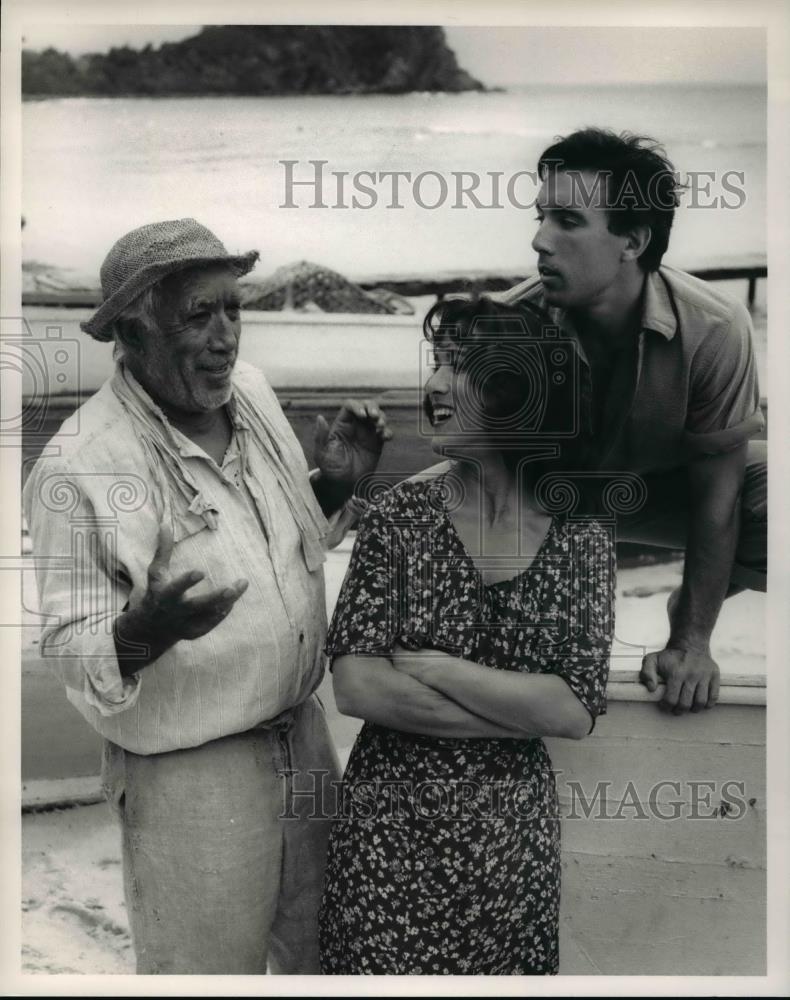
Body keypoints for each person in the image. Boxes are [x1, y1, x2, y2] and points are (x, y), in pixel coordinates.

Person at [22, 218, 391, 975]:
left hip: (305, 740)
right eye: (199, 315)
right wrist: (145, 632)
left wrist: (335, 487)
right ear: (132, 329)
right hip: (192, 780)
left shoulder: (250, 392)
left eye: (233, 310)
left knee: (327, 963)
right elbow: (67, 645)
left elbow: (277, 538)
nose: (227, 338)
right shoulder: (76, 468)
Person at [318, 296, 615, 974]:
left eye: (458, 367)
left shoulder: (581, 531)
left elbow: (571, 711)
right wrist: (517, 711)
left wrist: (436, 667)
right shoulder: (399, 517)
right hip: (386, 848)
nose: (433, 387)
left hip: (510, 865)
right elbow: (358, 685)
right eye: (436, 365)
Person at [442, 128, 765, 714]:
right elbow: (477, 479)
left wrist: (691, 641)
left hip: (670, 489)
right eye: (541, 216)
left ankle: (691, 602)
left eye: (567, 220)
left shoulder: (717, 329)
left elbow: (720, 498)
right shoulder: (513, 322)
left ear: (633, 241)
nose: (539, 240)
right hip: (551, 498)